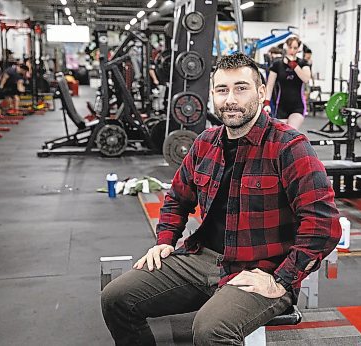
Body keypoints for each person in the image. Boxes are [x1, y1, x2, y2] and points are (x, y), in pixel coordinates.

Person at [101, 53, 341, 345]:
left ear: (261, 92)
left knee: (210, 330)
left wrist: (282, 279)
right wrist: (165, 240)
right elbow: (177, 198)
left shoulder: (289, 146)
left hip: (260, 268)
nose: (231, 99)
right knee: (116, 298)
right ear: (212, 94)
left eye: (241, 88)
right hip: (203, 258)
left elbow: (323, 223)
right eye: (222, 90)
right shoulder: (204, 143)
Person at [263, 37, 311, 130]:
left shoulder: (302, 63)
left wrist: (295, 66)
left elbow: (306, 79)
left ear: (298, 49)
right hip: (282, 106)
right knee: (281, 134)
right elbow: (270, 85)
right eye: (290, 47)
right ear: (286, 47)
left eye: (295, 48)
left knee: (291, 132)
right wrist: (267, 102)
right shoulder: (277, 64)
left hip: (297, 106)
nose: (292, 50)